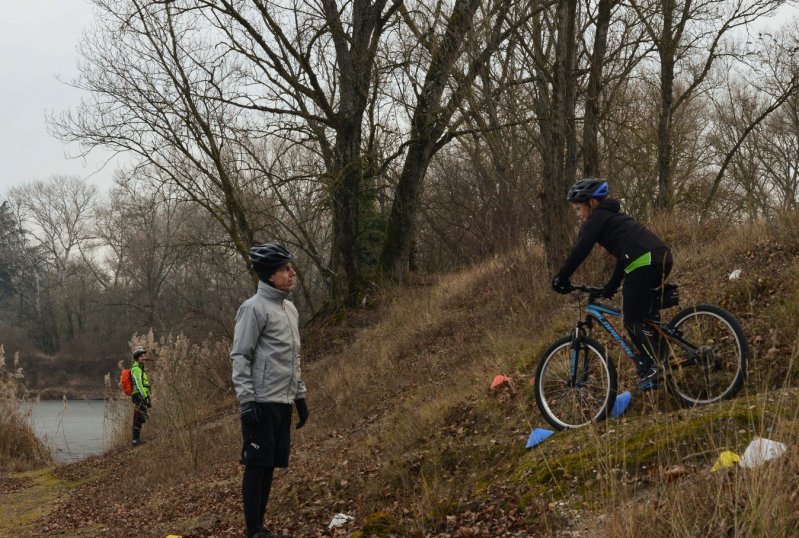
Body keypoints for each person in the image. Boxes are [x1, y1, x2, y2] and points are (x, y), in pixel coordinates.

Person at [551, 178, 673, 392]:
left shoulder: (597, 218)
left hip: (643, 261)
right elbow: (623, 256)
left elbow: (581, 250)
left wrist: (562, 277)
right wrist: (611, 286)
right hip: (660, 257)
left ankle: (657, 366)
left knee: (631, 319)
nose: (579, 215)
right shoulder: (613, 217)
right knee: (646, 320)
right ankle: (663, 363)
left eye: (579, 209)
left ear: (592, 203)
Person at [231, 243, 309, 538]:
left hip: (283, 399)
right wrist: (247, 401)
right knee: (256, 465)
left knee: (270, 466)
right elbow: (240, 355)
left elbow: (293, 356)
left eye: (290, 268)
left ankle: (260, 529)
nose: (292, 274)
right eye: (285, 269)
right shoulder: (252, 309)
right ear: (269, 275)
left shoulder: (289, 308)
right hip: (260, 401)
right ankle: (254, 532)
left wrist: (300, 395)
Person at [130, 346, 152, 446]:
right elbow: (139, 385)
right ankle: (135, 440)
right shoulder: (136, 369)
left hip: (141, 395)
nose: (144, 357)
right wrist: (145, 396)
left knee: (141, 417)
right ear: (137, 358)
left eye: (144, 355)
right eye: (141, 356)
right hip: (138, 396)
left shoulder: (140, 368)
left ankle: (137, 439)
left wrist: (147, 396)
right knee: (138, 417)